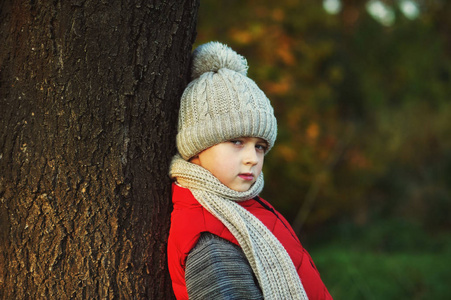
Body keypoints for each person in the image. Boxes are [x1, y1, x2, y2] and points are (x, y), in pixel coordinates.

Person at [167, 41, 332, 300]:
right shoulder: (210, 240)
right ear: (197, 146)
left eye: (260, 146)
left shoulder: (243, 208)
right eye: (236, 142)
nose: (252, 159)